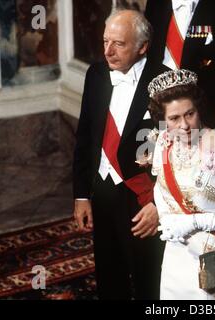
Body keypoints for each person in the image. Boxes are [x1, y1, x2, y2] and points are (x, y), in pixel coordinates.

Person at [72, 10, 167, 300]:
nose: (108, 51)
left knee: (147, 276)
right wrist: (81, 196)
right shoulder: (96, 74)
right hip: (102, 190)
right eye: (105, 42)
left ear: (143, 46)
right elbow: (85, 136)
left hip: (140, 197)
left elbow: (175, 152)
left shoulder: (164, 80)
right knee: (109, 275)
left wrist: (159, 205)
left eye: (119, 44)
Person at [147, 69, 215, 300]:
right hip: (176, 254)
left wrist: (194, 221)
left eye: (190, 114)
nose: (184, 125)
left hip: (214, 256)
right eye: (174, 118)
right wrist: (166, 219)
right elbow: (159, 187)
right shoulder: (163, 144)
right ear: (162, 121)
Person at [144, 0, 215, 128]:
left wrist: (191, 109)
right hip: (158, 109)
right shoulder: (156, 4)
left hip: (206, 111)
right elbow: (149, 57)